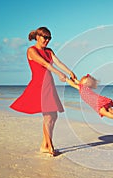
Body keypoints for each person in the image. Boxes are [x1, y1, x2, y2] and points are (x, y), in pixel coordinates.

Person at [10, 27, 76, 157]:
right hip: (39, 85)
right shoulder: (31, 50)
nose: (47, 40)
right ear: (37, 37)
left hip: (49, 84)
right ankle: (50, 146)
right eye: (45, 37)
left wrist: (70, 72)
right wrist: (59, 74)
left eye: (49, 38)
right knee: (48, 116)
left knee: (53, 116)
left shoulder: (49, 51)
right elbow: (45, 64)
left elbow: (58, 62)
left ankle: (44, 145)